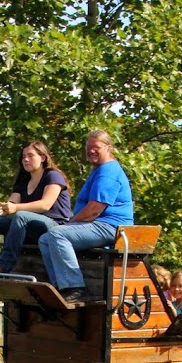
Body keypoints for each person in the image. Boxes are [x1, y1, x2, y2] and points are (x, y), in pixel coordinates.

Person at [37, 129, 134, 303]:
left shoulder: (108, 171)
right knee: (44, 239)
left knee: (57, 234)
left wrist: (70, 224)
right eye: (88, 147)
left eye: (95, 147)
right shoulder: (99, 170)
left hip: (111, 227)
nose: (90, 151)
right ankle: (60, 286)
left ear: (108, 147)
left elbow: (94, 209)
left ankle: (75, 287)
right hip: (99, 225)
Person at [0, 141, 71, 274]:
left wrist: (16, 208)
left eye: (30, 156)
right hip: (29, 226)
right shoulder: (23, 182)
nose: (25, 159)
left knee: (20, 215)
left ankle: (3, 265)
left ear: (42, 158)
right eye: (23, 156)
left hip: (55, 227)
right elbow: (9, 207)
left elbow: (45, 205)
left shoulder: (52, 176)